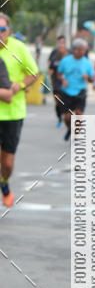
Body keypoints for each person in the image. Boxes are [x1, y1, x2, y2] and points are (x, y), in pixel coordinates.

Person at [0, 13, 39, 207]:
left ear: (9, 31)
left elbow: (34, 73)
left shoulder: (19, 48)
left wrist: (19, 86)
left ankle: (4, 183)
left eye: (2, 29)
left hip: (13, 113)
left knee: (6, 163)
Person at [57, 38, 94, 140]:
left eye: (84, 50)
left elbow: (92, 78)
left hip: (80, 91)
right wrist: (63, 80)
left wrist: (88, 78)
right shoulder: (65, 60)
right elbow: (59, 74)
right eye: (80, 50)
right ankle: (70, 129)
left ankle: (76, 135)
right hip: (67, 91)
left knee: (78, 114)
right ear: (74, 49)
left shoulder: (87, 62)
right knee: (68, 118)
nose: (82, 52)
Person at [48, 35, 68, 127]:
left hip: (66, 82)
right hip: (56, 81)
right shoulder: (54, 54)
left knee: (65, 100)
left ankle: (65, 114)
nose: (61, 46)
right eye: (60, 43)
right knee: (58, 100)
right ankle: (59, 116)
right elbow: (50, 67)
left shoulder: (69, 55)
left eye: (63, 43)